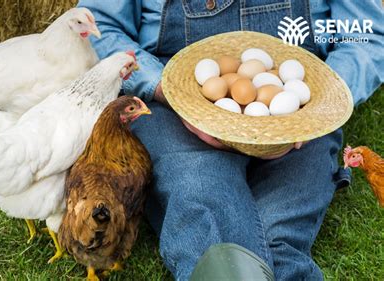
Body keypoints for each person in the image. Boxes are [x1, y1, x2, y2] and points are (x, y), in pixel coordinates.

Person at [77, 0, 383, 280]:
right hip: (175, 96)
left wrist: (318, 106)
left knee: (278, 232)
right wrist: (167, 90)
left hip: (292, 98)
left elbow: (366, 38)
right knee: (201, 190)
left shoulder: (298, 100)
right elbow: (99, 25)